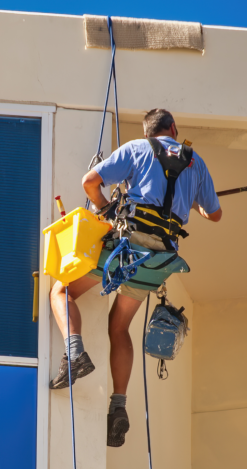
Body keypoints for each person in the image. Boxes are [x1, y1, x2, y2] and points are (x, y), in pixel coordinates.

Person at [48, 108, 222, 448]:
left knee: (62, 290)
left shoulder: (136, 149)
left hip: (126, 249)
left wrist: (105, 211)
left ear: (149, 132)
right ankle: (118, 405)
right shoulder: (194, 162)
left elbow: (90, 182)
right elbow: (214, 214)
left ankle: (74, 353)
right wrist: (198, 204)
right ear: (173, 128)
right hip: (159, 259)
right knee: (119, 326)